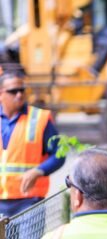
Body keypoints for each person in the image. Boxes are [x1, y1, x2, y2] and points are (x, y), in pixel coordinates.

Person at [0, 69, 65, 216]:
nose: (19, 95)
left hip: (29, 200)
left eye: (22, 90)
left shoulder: (39, 118)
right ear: (1, 94)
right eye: (13, 91)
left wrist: (39, 171)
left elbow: (59, 154)